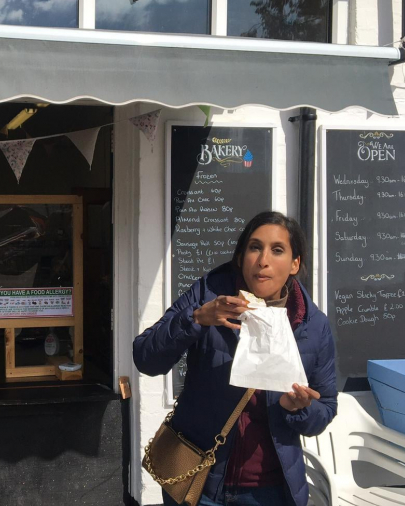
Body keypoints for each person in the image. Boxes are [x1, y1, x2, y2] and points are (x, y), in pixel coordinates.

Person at [133, 211, 337, 506]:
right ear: (241, 256)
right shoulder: (209, 294)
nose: (263, 260)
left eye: (277, 250)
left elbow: (326, 408)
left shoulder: (312, 325)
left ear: (295, 264)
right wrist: (197, 319)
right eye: (255, 247)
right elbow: (145, 358)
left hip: (270, 489)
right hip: (199, 479)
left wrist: (300, 409)